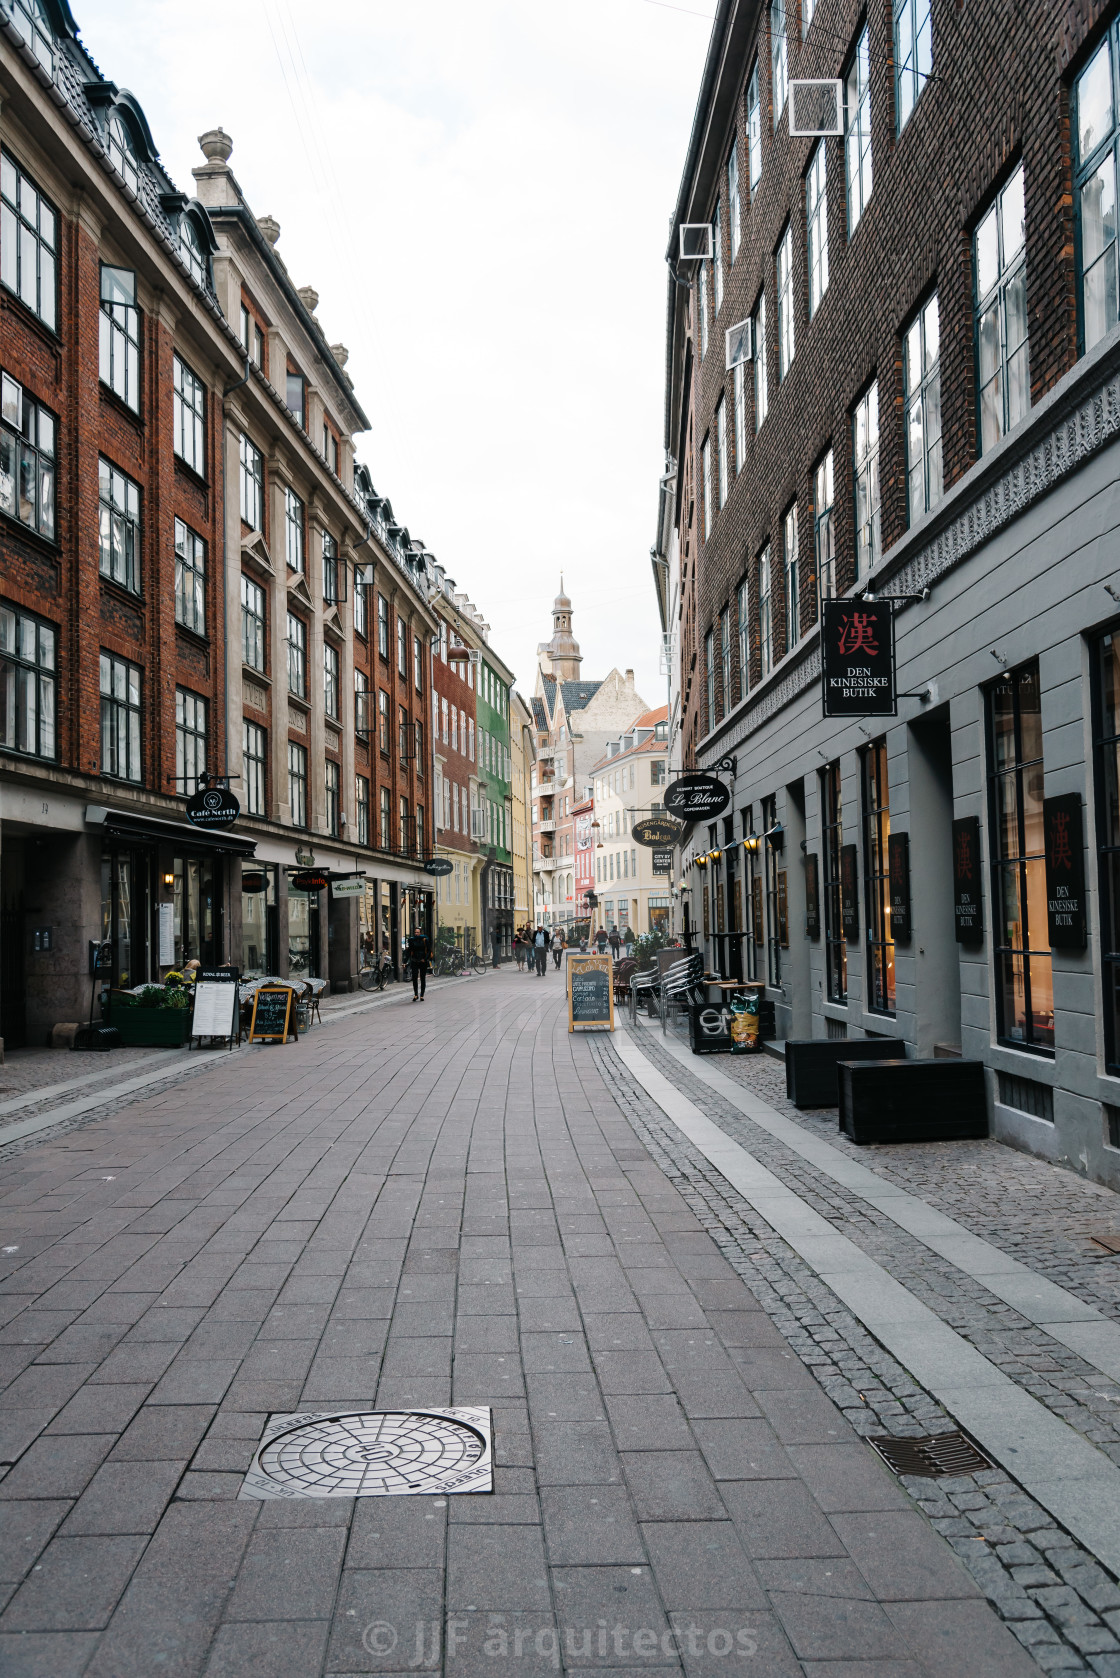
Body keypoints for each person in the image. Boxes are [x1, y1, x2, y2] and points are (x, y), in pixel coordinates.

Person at [407, 925, 432, 1000]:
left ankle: (422, 995)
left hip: (422, 961)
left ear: (420, 933)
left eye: (417, 932)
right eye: (415, 932)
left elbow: (429, 950)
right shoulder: (412, 940)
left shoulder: (425, 939)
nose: (416, 934)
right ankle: (415, 994)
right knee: (414, 978)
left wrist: (425, 958)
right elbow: (410, 951)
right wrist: (405, 961)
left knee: (422, 978)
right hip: (414, 960)